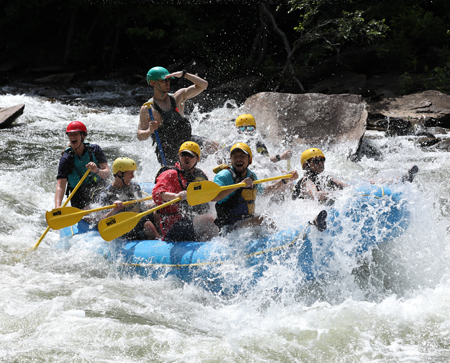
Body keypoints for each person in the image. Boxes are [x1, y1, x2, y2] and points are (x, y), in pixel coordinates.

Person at [210, 143, 323, 233]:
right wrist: (239, 185)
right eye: (235, 157)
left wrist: (284, 181)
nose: (238, 159)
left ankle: (310, 223)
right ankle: (280, 241)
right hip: (228, 228)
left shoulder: (251, 175)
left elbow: (264, 192)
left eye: (242, 156)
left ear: (249, 160)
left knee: (274, 215)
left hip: (244, 226)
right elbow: (214, 196)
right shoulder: (224, 175)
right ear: (231, 159)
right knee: (263, 219)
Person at [137, 66, 218, 165]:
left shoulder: (178, 97)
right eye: (164, 81)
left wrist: (184, 74)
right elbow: (140, 135)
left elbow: (203, 85)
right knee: (179, 170)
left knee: (213, 145)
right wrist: (149, 130)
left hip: (186, 141)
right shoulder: (148, 108)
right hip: (167, 149)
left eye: (168, 80)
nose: (168, 83)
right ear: (153, 83)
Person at [292, 148, 419, 202]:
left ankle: (402, 178)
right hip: (307, 211)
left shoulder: (326, 176)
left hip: (322, 204)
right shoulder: (305, 180)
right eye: (315, 161)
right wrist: (341, 195)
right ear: (306, 166)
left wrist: (354, 189)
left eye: (322, 160)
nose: (320, 163)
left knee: (365, 181)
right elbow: (316, 195)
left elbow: (346, 185)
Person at [152, 141, 218, 241]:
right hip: (173, 227)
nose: (186, 157)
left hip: (192, 223)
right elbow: (157, 194)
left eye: (190, 155)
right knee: (209, 220)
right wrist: (176, 196)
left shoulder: (201, 175)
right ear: (179, 156)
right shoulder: (169, 174)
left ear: (198, 159)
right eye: (183, 154)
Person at [96, 157, 160, 240]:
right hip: (124, 226)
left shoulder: (135, 187)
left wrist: (157, 203)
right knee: (147, 224)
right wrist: (113, 210)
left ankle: (162, 236)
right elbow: (103, 220)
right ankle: (159, 243)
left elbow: (142, 208)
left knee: (158, 211)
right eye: (130, 173)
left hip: (138, 219)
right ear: (119, 173)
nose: (133, 176)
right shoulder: (107, 194)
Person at [55, 121, 110, 209]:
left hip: (98, 188)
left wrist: (97, 170)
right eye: (70, 135)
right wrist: (57, 206)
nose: (72, 137)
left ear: (83, 136)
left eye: (75, 134)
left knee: (106, 201)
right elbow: (61, 185)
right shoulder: (66, 159)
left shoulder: (95, 150)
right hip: (78, 195)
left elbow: (107, 174)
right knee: (91, 212)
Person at [220, 114, 293, 165]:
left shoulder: (257, 142)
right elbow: (222, 161)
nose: (246, 131)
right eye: (242, 128)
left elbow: (265, 162)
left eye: (250, 128)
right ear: (237, 130)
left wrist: (280, 157)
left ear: (254, 129)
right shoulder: (229, 142)